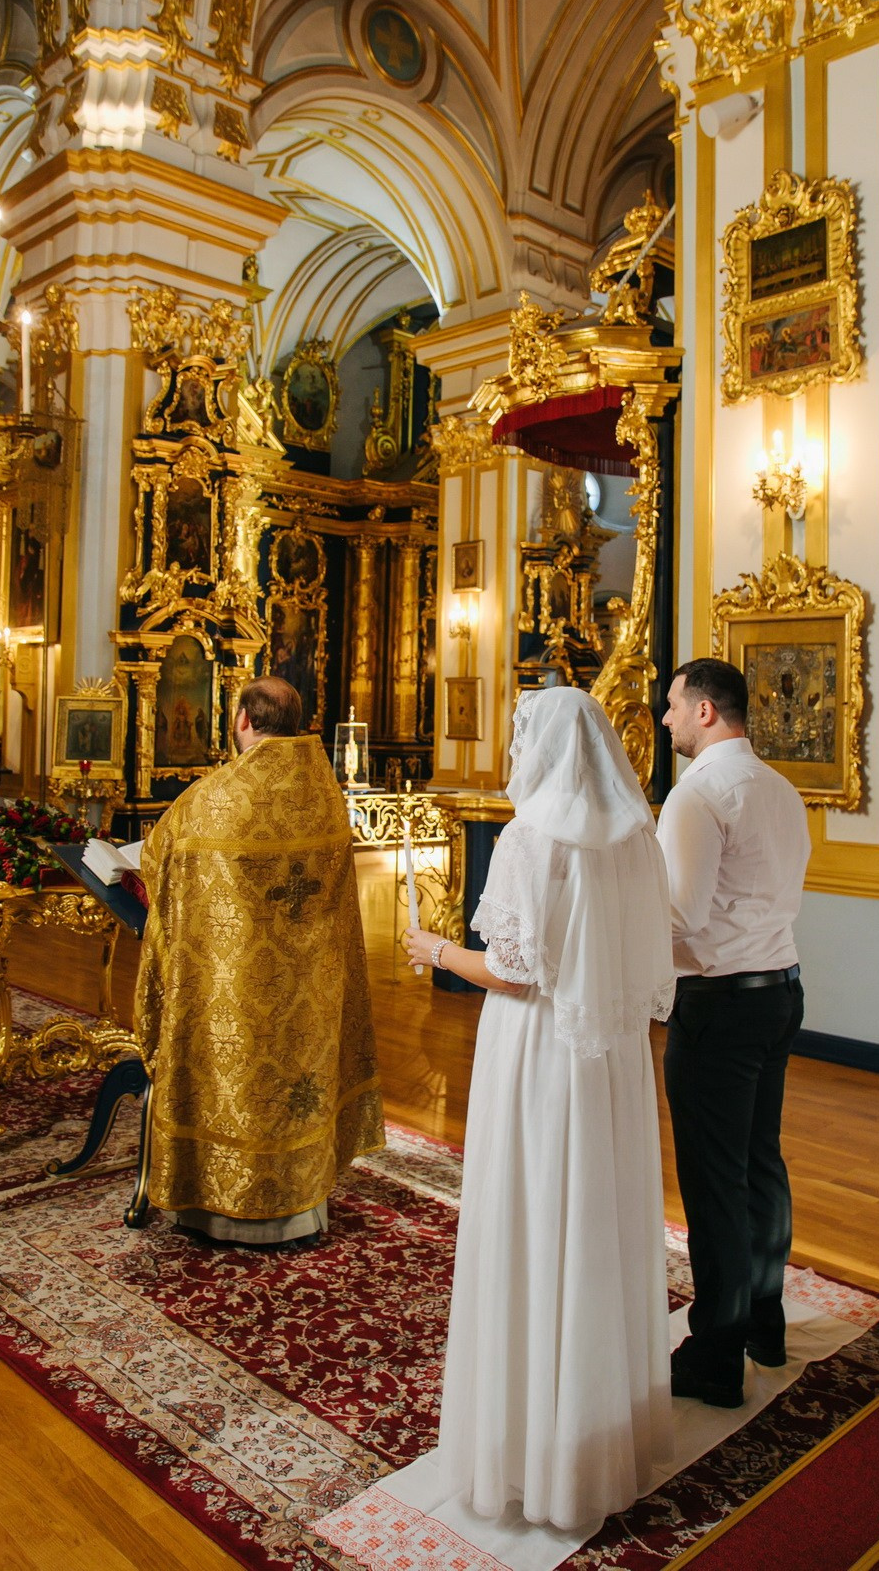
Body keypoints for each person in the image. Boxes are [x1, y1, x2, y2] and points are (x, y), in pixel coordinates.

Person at [404, 685, 675, 1538]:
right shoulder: (636, 831)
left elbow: (516, 971)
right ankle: (600, 1427)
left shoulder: (532, 836)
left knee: (534, 1212)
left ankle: (531, 1448)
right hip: (613, 1052)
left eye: (520, 737)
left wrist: (436, 949)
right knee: (596, 1216)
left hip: (540, 1050)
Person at [135, 675, 385, 1246]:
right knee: (297, 1085)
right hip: (308, 991)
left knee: (233, 1082)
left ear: (243, 720)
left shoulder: (212, 796)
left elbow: (159, 861)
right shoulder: (325, 796)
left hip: (230, 986)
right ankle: (303, 1208)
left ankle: (218, 1210)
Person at [656, 657, 810, 1408]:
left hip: (719, 1004)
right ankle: (765, 1322)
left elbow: (679, 916)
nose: (665, 720)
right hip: (780, 990)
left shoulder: (699, 795)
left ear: (707, 712)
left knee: (715, 1181)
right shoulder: (780, 789)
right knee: (759, 1162)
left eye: (673, 706)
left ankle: (716, 1354)